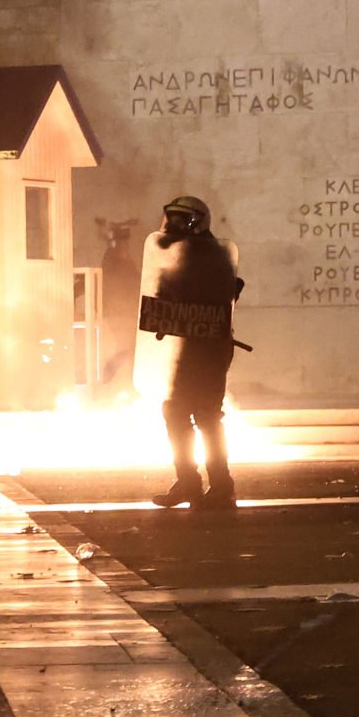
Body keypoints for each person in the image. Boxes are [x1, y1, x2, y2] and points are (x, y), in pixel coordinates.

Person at [143, 195, 244, 510]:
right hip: (183, 349)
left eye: (181, 219)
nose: (173, 225)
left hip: (208, 350)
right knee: (175, 412)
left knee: (207, 416)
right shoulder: (173, 254)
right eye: (170, 218)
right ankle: (188, 482)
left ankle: (221, 485)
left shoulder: (213, 257)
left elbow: (219, 297)